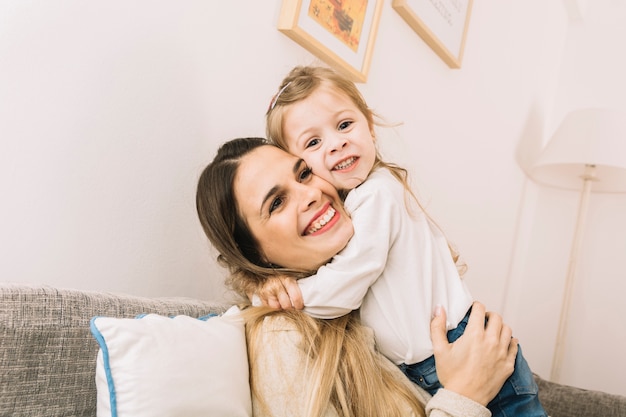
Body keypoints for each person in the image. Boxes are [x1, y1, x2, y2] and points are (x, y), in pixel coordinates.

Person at [260, 65, 547, 417]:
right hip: (433, 363)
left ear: (370, 126)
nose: (337, 143)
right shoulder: (354, 205)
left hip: (461, 348)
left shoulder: (378, 194)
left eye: (345, 124)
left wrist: (294, 296)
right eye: (314, 142)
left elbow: (350, 279)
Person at [196, 137, 519, 417]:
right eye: (277, 203)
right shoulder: (281, 336)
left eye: (305, 174)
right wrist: (466, 395)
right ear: (253, 255)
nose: (311, 194)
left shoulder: (373, 271)